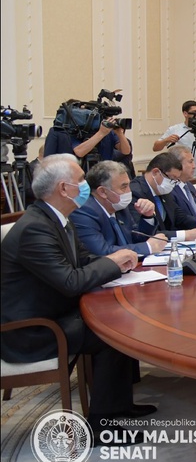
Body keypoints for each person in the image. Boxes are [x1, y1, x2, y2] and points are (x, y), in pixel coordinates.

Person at [0, 154, 154, 444]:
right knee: (113, 332)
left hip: (54, 312)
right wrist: (112, 263)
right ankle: (101, 427)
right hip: (32, 331)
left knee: (119, 320)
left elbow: (83, 259)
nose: (86, 185)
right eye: (81, 180)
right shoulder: (35, 227)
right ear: (63, 188)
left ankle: (120, 406)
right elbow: (70, 282)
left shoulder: (58, 218)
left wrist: (119, 262)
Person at [70, 160, 167, 257]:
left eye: (129, 185)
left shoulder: (119, 206)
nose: (129, 191)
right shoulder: (84, 212)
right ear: (102, 192)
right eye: (124, 187)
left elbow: (136, 239)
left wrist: (148, 216)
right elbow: (101, 252)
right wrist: (147, 247)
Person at [130, 153, 196, 241]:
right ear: (155, 172)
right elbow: (143, 233)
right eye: (172, 178)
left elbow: (180, 217)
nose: (173, 183)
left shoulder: (163, 190)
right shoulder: (135, 192)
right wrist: (187, 234)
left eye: (176, 180)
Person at [43, 117, 132, 172]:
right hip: (85, 173)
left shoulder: (109, 131)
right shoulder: (78, 132)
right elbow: (79, 151)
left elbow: (126, 151)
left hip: (106, 172)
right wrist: (101, 133)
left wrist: (120, 133)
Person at [167, 145, 196, 224]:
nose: (194, 166)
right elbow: (181, 221)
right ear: (177, 165)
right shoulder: (170, 191)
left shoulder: (189, 186)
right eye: (190, 162)